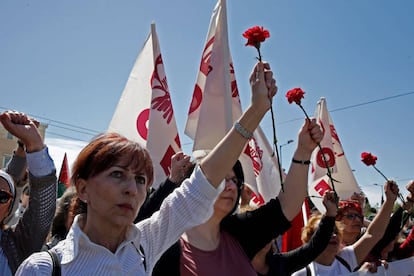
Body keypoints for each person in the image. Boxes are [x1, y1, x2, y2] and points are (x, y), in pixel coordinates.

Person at [16, 61, 278, 275]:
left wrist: (256, 111)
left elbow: (203, 182)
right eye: (117, 175)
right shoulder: (44, 269)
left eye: (141, 180)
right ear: (83, 188)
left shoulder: (144, 246)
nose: (132, 189)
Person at [152, 116, 324, 276]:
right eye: (222, 179)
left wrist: (303, 151)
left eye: (235, 180)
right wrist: (257, 108)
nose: (232, 186)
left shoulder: (240, 232)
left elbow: (287, 205)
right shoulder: (166, 247)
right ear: (196, 186)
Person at [292, 180, 399, 276]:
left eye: (335, 232)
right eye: (325, 232)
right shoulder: (302, 273)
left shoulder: (345, 258)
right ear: (310, 239)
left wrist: (389, 201)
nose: (333, 235)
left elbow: (373, 234)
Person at [0, 110, 57, 275]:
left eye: (1, 197)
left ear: (10, 207)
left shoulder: (16, 246)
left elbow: (43, 208)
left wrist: (33, 144)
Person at [251, 190, 338, 276]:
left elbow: (314, 248)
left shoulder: (280, 264)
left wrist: (330, 215)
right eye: (258, 231)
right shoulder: (238, 266)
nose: (265, 235)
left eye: (268, 230)